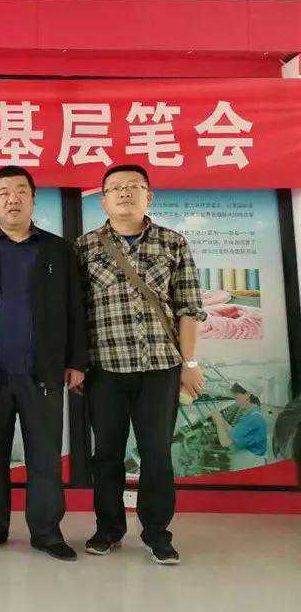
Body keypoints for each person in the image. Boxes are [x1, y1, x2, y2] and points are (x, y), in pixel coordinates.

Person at [75, 164, 205, 566]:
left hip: (160, 368)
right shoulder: (84, 247)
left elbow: (188, 308)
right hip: (105, 369)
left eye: (133, 186)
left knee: (157, 454)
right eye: (115, 188)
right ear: (103, 201)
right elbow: (73, 313)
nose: (124, 193)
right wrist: (76, 364)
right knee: (107, 455)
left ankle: (157, 533)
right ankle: (108, 529)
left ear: (149, 196)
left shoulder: (173, 242)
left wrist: (191, 362)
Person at [0, 167, 86, 561]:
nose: (12, 199)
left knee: (45, 456)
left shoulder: (58, 250)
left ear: (33, 199)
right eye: (4, 192)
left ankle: (47, 532)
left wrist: (76, 360)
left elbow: (76, 308)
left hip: (43, 372)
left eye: (21, 191)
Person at [212, 385, 268, 471]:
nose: (235, 400)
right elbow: (235, 433)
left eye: (236, 396)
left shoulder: (253, 418)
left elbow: (225, 442)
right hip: (250, 462)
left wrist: (218, 420)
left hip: (248, 464)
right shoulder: (254, 413)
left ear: (247, 395)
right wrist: (222, 420)